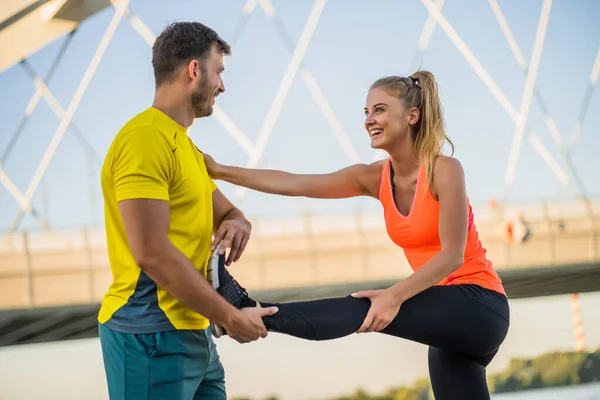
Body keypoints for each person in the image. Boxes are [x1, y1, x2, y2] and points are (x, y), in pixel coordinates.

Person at [204, 71, 510, 400]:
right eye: (366, 112)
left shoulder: (445, 169)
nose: (369, 120)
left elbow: (452, 255)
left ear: (412, 116)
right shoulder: (373, 177)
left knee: (365, 306)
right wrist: (219, 170)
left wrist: (394, 296)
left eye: (379, 109)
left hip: (480, 306)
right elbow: (295, 183)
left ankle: (249, 309)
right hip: (447, 328)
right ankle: (245, 312)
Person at [98, 22, 277, 400]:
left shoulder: (188, 150)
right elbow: (152, 252)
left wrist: (237, 222)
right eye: (219, 72)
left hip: (195, 333)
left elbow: (228, 212)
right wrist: (229, 316)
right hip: (148, 336)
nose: (222, 86)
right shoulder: (145, 140)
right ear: (194, 70)